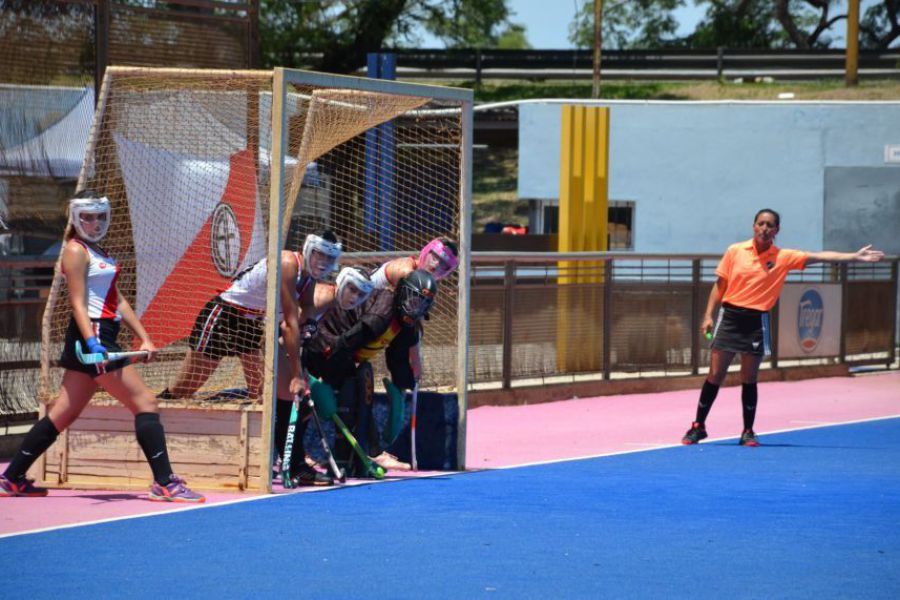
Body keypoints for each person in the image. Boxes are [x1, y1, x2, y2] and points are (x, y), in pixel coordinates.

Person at [0, 190, 203, 501]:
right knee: (146, 403)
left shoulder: (99, 251)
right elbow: (78, 304)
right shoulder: (75, 250)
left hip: (99, 331)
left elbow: (117, 299)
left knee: (63, 413)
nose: (94, 223)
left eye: (99, 217)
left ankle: (11, 478)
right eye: (87, 217)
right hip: (91, 333)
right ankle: (165, 483)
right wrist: (93, 341)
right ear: (75, 218)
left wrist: (144, 336)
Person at [681, 208, 885, 447]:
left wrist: (854, 256)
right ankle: (698, 427)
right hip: (730, 317)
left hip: (757, 321)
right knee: (715, 374)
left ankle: (747, 431)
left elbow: (819, 256)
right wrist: (708, 315)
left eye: (770, 225)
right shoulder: (735, 251)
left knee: (749, 376)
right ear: (754, 226)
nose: (764, 228)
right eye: (760, 224)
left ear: (776, 230)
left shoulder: (784, 257)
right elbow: (720, 285)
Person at [159, 230, 341, 486]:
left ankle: (291, 464)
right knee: (183, 389)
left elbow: (299, 319)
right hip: (224, 316)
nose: (322, 261)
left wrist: (306, 332)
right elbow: (289, 323)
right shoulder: (289, 263)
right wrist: (299, 374)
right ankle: (156, 444)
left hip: (253, 324)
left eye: (329, 258)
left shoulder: (309, 279)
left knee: (264, 394)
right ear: (308, 249)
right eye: (319, 254)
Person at [304, 269, 438, 473]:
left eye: (422, 304)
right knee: (352, 384)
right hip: (325, 345)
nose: (416, 308)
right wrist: (319, 375)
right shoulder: (383, 312)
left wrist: (402, 392)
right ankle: (351, 456)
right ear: (402, 293)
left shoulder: (406, 325)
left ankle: (366, 452)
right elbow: (349, 340)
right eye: (413, 300)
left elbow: (398, 360)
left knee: (362, 376)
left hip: (348, 356)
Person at [370, 238, 458, 290]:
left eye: (443, 263)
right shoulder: (405, 270)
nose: (436, 264)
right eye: (435, 256)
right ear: (427, 251)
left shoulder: (425, 280)